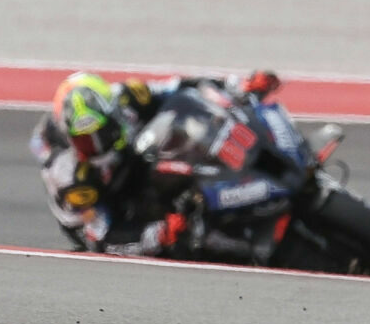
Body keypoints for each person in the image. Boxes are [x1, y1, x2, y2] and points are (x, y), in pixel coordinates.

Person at [29, 68, 281, 256]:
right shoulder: (71, 179)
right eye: (85, 141)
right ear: (69, 137)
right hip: (109, 208)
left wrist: (240, 86)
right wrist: (159, 233)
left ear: (113, 110)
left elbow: (182, 88)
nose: (96, 146)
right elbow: (98, 237)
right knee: (184, 239)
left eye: (101, 134)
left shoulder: (126, 96)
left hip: (133, 157)